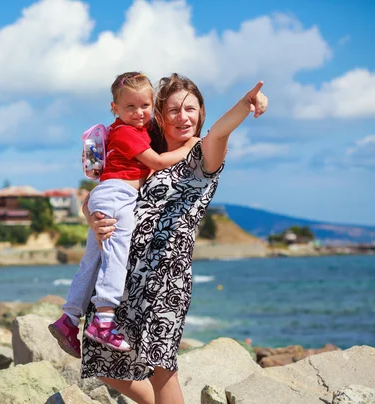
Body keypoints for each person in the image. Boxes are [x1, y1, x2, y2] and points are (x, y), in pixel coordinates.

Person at [80, 73, 268, 404]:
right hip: (120, 273)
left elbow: (222, 129)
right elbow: (95, 198)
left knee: (161, 368)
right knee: (102, 362)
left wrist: (246, 103)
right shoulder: (143, 154)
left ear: (201, 113)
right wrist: (93, 221)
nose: (184, 117)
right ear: (160, 117)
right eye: (175, 110)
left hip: (164, 278)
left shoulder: (202, 153)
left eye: (191, 109)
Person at [49, 72, 200, 357]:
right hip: (118, 195)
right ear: (114, 108)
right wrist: (189, 146)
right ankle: (104, 321)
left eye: (145, 105)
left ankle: (68, 319)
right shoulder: (124, 132)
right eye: (130, 107)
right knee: (116, 256)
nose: (139, 112)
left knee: (91, 262)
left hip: (106, 194)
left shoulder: (139, 129)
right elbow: (156, 161)